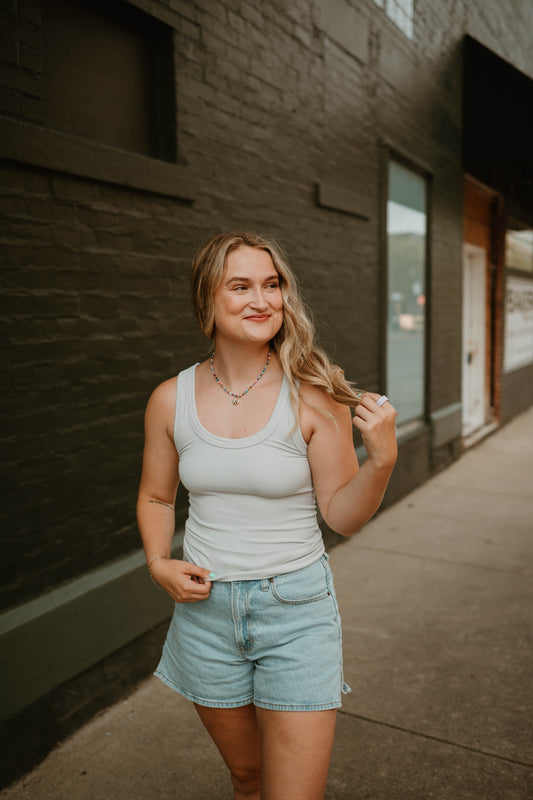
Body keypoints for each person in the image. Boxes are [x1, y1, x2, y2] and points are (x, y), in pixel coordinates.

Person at [137, 232, 397, 800]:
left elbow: (342, 515)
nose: (263, 299)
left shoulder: (312, 395)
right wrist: (159, 561)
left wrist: (381, 461)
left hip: (295, 612)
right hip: (206, 614)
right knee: (248, 779)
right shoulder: (170, 398)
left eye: (272, 284)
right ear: (207, 298)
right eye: (241, 286)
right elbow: (157, 497)